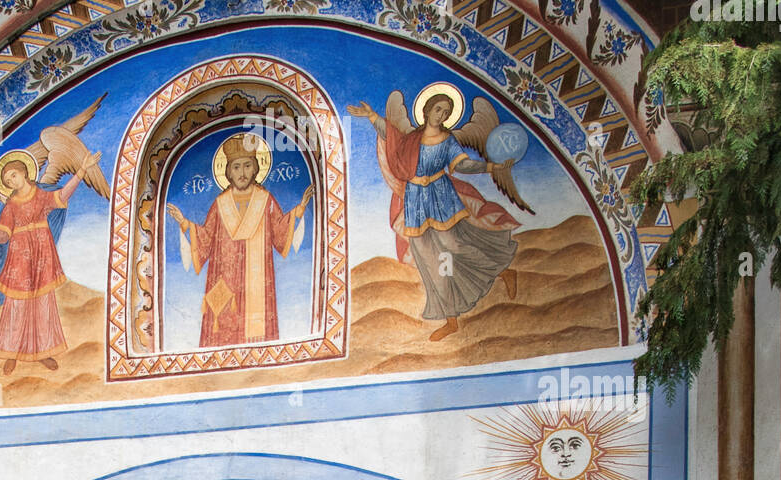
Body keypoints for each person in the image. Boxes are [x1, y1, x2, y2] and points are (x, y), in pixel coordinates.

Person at [348, 91, 519, 341]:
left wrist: (491, 167)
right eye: (438, 109)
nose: (442, 115)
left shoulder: (447, 140)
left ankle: (503, 271)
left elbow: (461, 165)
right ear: (427, 111)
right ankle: (451, 320)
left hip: (441, 197)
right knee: (430, 262)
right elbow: (391, 137)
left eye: (446, 112)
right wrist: (372, 116)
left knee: (454, 246)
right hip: (415, 201)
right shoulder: (412, 139)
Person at [167, 133, 313, 348]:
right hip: (225, 281)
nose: (242, 172)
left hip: (258, 285)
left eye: (247, 166)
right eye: (236, 167)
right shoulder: (220, 203)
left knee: (257, 331)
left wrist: (299, 210)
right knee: (223, 323)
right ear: (228, 172)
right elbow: (206, 236)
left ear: (255, 169)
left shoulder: (265, 200)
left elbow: (280, 230)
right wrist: (186, 224)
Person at [0, 149, 93, 375]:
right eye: (7, 179)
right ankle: (12, 353)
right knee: (16, 306)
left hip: (41, 256)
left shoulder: (40, 195)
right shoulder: (10, 205)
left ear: (24, 173)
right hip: (19, 259)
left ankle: (43, 352)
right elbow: (2, 235)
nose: (11, 181)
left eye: (13, 175)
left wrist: (81, 171)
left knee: (42, 304)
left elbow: (62, 196)